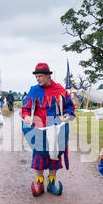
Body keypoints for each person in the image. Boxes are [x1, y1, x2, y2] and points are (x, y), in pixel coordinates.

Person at [21, 63, 75, 196]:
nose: (37, 79)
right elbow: (25, 108)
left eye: (40, 76)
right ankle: (39, 184)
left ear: (47, 76)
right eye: (36, 76)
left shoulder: (60, 89)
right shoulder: (34, 90)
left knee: (55, 155)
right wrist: (27, 116)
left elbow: (69, 106)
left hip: (56, 126)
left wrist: (67, 114)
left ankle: (51, 183)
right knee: (39, 155)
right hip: (39, 128)